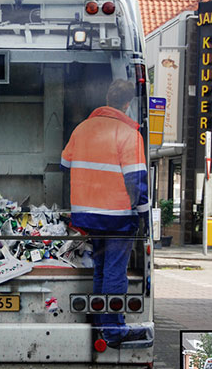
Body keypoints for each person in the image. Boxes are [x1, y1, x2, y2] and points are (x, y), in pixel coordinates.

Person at [61, 79, 149, 347]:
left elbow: (65, 163)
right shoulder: (128, 133)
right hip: (117, 217)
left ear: (108, 99)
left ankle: (102, 323)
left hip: (87, 216)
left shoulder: (82, 128)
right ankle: (113, 331)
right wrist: (144, 215)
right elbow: (137, 181)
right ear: (127, 103)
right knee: (114, 273)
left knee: (100, 270)